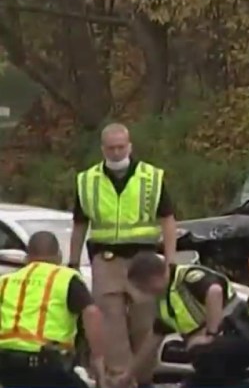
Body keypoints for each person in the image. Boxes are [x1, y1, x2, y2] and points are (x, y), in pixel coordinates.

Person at [68, 122, 178, 388]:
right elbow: (80, 224)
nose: (117, 153)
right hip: (106, 259)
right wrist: (72, 263)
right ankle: (119, 380)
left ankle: (143, 377)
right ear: (103, 149)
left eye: (121, 147)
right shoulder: (88, 181)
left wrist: (171, 260)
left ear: (130, 146)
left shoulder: (151, 177)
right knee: (110, 320)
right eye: (111, 148)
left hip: (143, 259)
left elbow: (168, 219)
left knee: (144, 320)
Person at [121, 253, 249, 388]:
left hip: (246, 336)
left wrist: (210, 335)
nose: (143, 292)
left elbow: (214, 291)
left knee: (201, 352)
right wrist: (128, 374)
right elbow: (152, 340)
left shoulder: (187, 277)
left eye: (142, 287)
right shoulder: (166, 299)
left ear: (153, 279)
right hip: (223, 346)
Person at [0, 232, 107, 387]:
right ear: (59, 256)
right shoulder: (67, 278)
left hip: (6, 365)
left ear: (27, 257)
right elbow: (92, 314)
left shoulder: (5, 281)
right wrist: (98, 364)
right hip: (47, 364)